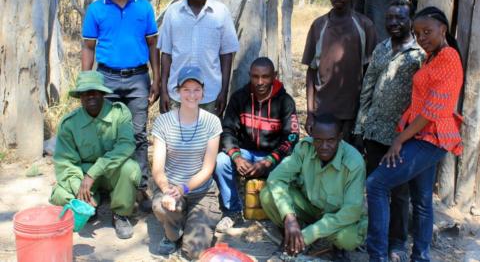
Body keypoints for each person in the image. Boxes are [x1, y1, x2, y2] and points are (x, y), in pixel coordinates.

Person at [366, 6, 463, 262]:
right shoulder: (432, 57)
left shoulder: (449, 57)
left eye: (427, 32)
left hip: (432, 137)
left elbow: (432, 110)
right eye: (417, 33)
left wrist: (399, 138)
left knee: (376, 184)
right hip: (422, 135)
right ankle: (420, 257)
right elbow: (422, 99)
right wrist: (405, 118)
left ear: (443, 29)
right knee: (421, 201)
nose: (422, 38)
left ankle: (377, 256)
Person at [81, 0, 159, 211]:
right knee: (108, 134)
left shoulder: (144, 8)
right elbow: (88, 47)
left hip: (138, 79)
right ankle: (108, 185)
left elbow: (152, 46)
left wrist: (156, 79)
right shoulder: (96, 9)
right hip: (107, 80)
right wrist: (86, 83)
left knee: (137, 134)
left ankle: (139, 187)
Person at [353, 0, 425, 261]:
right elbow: (368, 88)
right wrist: (361, 126)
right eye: (390, 18)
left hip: (403, 136)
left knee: (400, 192)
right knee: (374, 190)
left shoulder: (420, 54)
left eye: (400, 18)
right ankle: (377, 241)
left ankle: (396, 243)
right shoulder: (381, 48)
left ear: (411, 20)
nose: (394, 23)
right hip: (374, 133)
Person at [260, 114, 367, 259]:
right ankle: (292, 235)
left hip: (337, 216)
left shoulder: (354, 162)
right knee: (267, 195)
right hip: (309, 207)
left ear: (340, 137)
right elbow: (276, 178)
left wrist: (311, 234)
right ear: (312, 136)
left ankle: (336, 247)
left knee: (348, 239)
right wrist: (289, 217)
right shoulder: (304, 148)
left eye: (330, 140)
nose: (324, 147)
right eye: (318, 140)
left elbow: (351, 211)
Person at [50, 71, 141, 239]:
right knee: (59, 195)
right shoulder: (69, 123)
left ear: (103, 93)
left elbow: (126, 145)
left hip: (112, 172)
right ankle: (90, 205)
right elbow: (66, 163)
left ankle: (120, 214)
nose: (90, 96)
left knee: (130, 168)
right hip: (83, 175)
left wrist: (94, 172)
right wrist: (79, 188)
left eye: (95, 91)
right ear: (79, 97)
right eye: (85, 92)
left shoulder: (120, 113)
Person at [214, 57, 300, 231]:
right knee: (221, 161)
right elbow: (227, 130)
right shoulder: (239, 98)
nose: (260, 82)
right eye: (255, 76)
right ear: (250, 76)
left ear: (274, 76)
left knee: (293, 167)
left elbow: (291, 137)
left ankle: (284, 214)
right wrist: (237, 157)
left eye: (265, 76)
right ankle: (233, 212)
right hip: (245, 153)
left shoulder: (285, 101)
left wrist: (269, 160)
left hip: (273, 157)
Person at [151, 66, 222, 260]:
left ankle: (195, 224)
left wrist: (184, 189)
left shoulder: (212, 122)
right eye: (186, 89)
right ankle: (172, 232)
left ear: (203, 92)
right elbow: (157, 168)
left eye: (196, 89)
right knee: (160, 206)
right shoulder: (163, 122)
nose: (192, 95)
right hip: (172, 189)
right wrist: (167, 190)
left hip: (201, 191)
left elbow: (208, 168)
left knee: (193, 253)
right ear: (177, 92)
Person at [302, 0, 377, 143]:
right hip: (323, 112)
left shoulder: (365, 26)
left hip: (353, 113)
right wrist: (310, 113)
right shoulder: (319, 26)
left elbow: (371, 74)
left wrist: (364, 116)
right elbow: (311, 73)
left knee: (350, 162)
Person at [157, 0, 239, 116]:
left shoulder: (221, 12)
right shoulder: (173, 13)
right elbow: (166, 54)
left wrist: (224, 91)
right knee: (176, 139)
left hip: (210, 95)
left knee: (208, 140)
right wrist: (163, 92)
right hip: (177, 94)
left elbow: (227, 55)